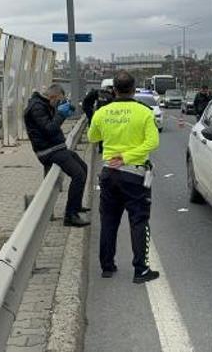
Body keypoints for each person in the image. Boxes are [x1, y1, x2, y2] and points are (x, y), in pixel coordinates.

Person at [88, 71, 161, 284]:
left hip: (109, 173)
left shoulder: (103, 112)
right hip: (134, 174)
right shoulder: (143, 112)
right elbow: (152, 143)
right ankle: (141, 270)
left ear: (114, 90)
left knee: (109, 221)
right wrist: (127, 156)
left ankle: (107, 267)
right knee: (138, 221)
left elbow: (93, 137)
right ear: (134, 88)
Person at [24, 84, 90, 227]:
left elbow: (52, 125)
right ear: (52, 97)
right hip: (47, 151)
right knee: (78, 174)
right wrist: (60, 114)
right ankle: (70, 215)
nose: (58, 104)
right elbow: (50, 129)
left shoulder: (45, 104)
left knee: (83, 167)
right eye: (59, 101)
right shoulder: (37, 107)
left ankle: (76, 205)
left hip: (56, 147)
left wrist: (63, 113)